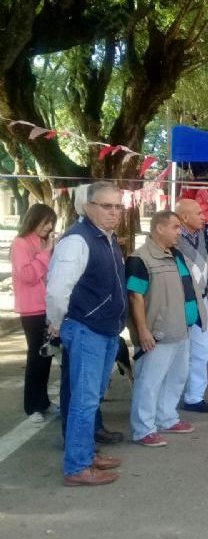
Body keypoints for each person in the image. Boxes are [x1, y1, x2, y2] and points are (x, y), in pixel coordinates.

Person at [47, 181, 127, 486]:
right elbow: (57, 290)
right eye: (107, 206)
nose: (114, 212)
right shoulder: (78, 240)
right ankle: (77, 466)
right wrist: (57, 323)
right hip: (86, 329)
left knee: (90, 398)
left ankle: (86, 453)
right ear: (87, 207)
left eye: (118, 206)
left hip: (104, 329)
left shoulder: (106, 238)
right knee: (84, 399)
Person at [127, 210, 206, 447]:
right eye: (174, 227)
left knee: (176, 377)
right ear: (159, 228)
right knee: (149, 382)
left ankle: (166, 417)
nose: (178, 232)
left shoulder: (176, 254)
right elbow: (135, 297)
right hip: (158, 333)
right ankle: (143, 429)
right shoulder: (140, 258)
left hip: (181, 328)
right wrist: (142, 331)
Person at [11, 204, 58, 423]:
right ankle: (32, 407)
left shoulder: (44, 242)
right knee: (35, 357)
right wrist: (45, 254)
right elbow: (27, 275)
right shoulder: (20, 243)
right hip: (32, 309)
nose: (49, 228)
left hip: (48, 307)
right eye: (45, 222)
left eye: (51, 223)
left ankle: (44, 402)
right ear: (33, 220)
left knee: (46, 356)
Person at [176, 199, 208, 413]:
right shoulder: (173, 237)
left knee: (201, 350)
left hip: (201, 298)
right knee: (179, 352)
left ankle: (195, 397)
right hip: (181, 301)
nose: (204, 216)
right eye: (199, 213)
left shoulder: (199, 234)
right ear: (184, 217)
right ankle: (171, 398)